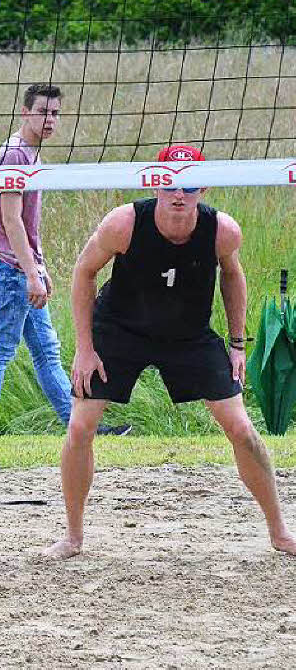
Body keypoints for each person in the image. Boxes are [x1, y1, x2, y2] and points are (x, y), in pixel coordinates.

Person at [44, 144, 296, 559]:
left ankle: (279, 531)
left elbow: (233, 277)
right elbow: (84, 271)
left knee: (241, 429)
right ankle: (73, 536)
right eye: (169, 183)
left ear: (203, 187)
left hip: (187, 335)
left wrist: (237, 344)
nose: (179, 193)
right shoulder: (124, 223)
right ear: (155, 183)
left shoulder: (222, 231)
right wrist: (85, 348)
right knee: (80, 426)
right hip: (120, 329)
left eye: (189, 185)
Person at [0, 83, 131, 437]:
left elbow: (25, 224)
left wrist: (39, 268)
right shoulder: (15, 153)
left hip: (22, 267)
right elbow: (11, 219)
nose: (50, 119)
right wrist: (30, 272)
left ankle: (83, 427)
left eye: (55, 113)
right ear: (25, 112)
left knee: (46, 353)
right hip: (8, 268)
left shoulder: (32, 152)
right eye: (42, 111)